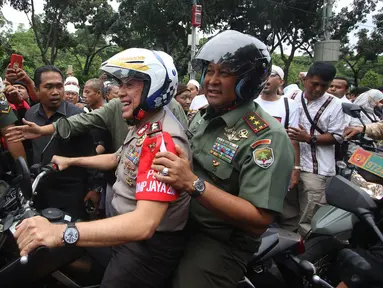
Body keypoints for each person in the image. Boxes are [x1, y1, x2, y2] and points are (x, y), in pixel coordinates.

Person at [13, 48, 191, 288]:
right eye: (122, 84)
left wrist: (61, 233)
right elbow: (118, 158)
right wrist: (70, 161)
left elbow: (143, 224)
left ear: (155, 87)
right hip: (124, 234)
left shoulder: (161, 140)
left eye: (131, 85)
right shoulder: (144, 125)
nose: (121, 92)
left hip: (145, 249)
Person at [150, 30, 294, 288]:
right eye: (210, 71)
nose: (211, 81)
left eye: (224, 73)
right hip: (179, 221)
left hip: (219, 241)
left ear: (248, 81)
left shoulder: (267, 137)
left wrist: (193, 184)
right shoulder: (203, 116)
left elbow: (259, 219)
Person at [22, 65, 101, 220]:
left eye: (59, 86)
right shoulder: (30, 114)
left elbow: (91, 154)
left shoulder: (78, 116)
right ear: (37, 90)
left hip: (72, 191)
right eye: (49, 87)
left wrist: (94, 188)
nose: (55, 92)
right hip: (40, 189)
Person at [287, 61, 346, 236]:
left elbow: (338, 136)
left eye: (324, 86)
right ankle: (286, 246)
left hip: (317, 169)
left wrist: (309, 138)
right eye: (315, 84)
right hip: (289, 164)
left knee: (309, 215)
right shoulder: (291, 97)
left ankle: (306, 254)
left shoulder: (334, 104)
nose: (319, 89)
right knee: (287, 210)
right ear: (305, 80)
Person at [255, 65, 301, 231]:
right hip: (254, 162)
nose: (266, 79)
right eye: (264, 75)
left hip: (280, 162)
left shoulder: (290, 105)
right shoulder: (251, 101)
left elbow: (293, 138)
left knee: (284, 205)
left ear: (281, 81)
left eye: (272, 75)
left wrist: (296, 167)